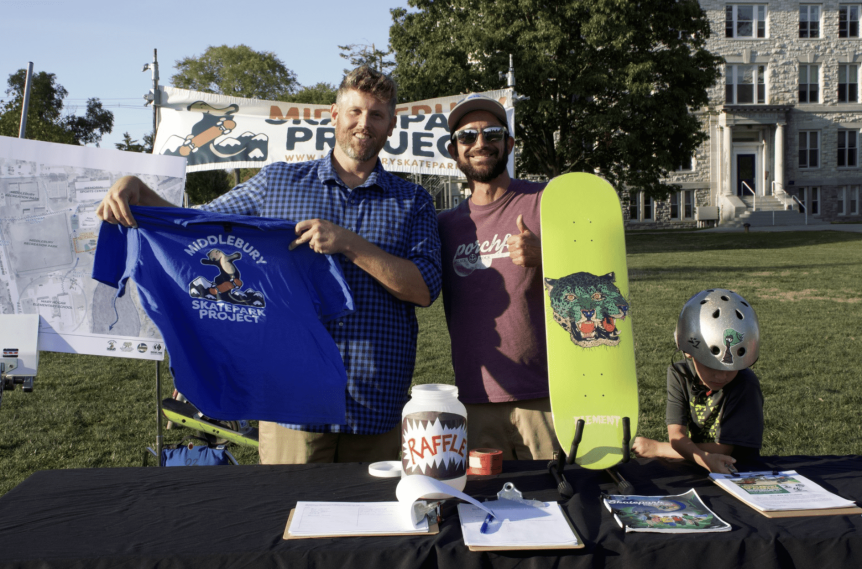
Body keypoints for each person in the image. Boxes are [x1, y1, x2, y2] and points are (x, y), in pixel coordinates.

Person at [97, 66, 442, 464]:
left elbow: (423, 289)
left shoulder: (413, 201)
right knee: (287, 504)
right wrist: (138, 191)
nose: (364, 123)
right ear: (334, 115)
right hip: (289, 403)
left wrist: (349, 244)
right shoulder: (277, 183)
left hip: (375, 403)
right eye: (355, 111)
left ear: (391, 125)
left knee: (371, 508)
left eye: (377, 114)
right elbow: (196, 227)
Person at [436, 93, 558, 460]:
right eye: (467, 136)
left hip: (547, 396)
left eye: (491, 133)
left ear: (509, 144)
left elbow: (600, 275)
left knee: (556, 491)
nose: (480, 143)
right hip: (475, 398)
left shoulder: (547, 200)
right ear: (453, 150)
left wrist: (548, 256)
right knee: (483, 495)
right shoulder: (443, 226)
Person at [632, 288, 764, 474]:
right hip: (699, 464)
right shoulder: (679, 373)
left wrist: (658, 448)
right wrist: (702, 458)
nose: (722, 376)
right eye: (711, 367)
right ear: (688, 351)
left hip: (738, 470)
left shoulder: (745, 384)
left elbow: (723, 449)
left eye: (730, 369)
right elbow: (676, 434)